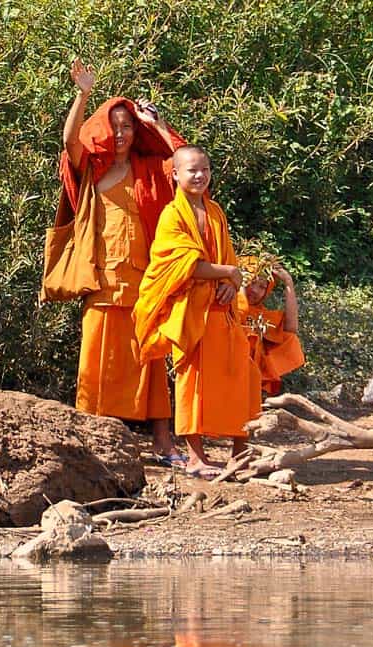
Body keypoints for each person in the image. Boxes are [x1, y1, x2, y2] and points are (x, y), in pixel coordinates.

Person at [58, 58, 186, 466]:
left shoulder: (148, 168)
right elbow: (69, 142)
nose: (119, 133)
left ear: (136, 131)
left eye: (127, 126)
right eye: (113, 125)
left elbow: (186, 166)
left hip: (143, 278)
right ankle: (91, 442)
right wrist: (83, 95)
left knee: (150, 356)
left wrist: (160, 124)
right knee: (95, 358)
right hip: (101, 278)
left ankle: (163, 445)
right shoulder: (92, 169)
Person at [133, 146, 261, 479]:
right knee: (193, 383)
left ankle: (239, 451)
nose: (199, 175)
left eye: (204, 169)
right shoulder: (171, 215)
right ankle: (195, 456)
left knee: (241, 376)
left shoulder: (215, 211)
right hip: (191, 312)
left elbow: (230, 262)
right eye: (191, 170)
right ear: (175, 174)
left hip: (222, 309)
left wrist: (232, 284)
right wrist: (227, 274)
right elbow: (184, 265)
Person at [237, 259, 304, 395]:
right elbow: (240, 315)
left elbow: (291, 329)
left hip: (250, 377)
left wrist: (288, 283)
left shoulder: (261, 314)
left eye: (262, 287)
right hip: (226, 369)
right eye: (252, 281)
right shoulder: (223, 303)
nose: (255, 290)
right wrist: (239, 284)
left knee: (291, 340)